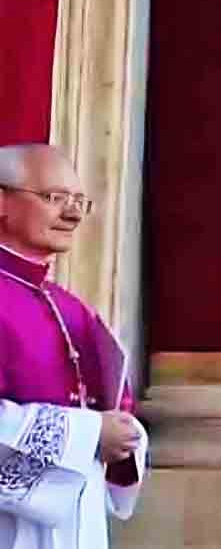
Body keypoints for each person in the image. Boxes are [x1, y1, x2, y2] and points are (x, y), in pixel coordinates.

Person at [0, 143, 148, 549]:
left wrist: (123, 435)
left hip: (79, 521)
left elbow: (115, 405)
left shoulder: (71, 308)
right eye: (54, 198)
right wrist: (89, 433)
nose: (73, 213)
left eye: (81, 201)